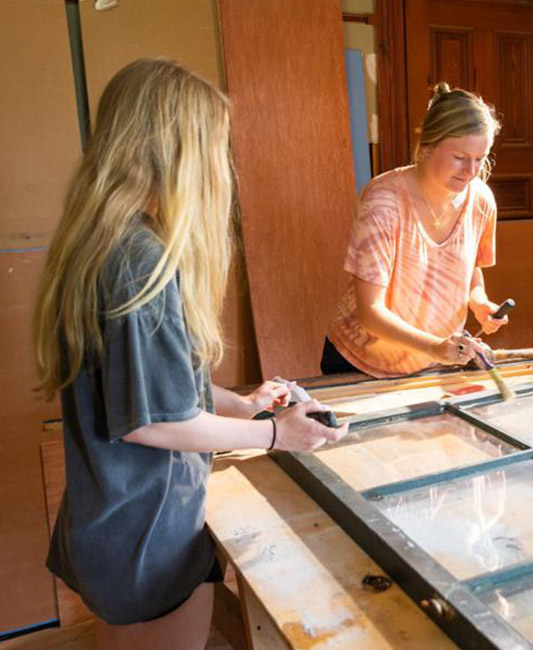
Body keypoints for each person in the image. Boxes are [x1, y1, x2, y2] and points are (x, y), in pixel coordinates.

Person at [31, 59, 347, 649]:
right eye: (215, 145)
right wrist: (276, 435)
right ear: (177, 150)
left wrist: (240, 403)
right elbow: (153, 421)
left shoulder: (103, 241)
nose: (221, 165)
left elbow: (147, 385)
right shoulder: (140, 260)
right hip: (146, 533)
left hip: (110, 522)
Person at [322, 83, 508, 377]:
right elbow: (370, 314)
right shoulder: (383, 202)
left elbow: (469, 270)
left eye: (480, 158)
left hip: (433, 360)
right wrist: (436, 347)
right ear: (427, 146)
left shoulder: (481, 200)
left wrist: (480, 302)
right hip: (362, 361)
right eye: (460, 158)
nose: (471, 171)